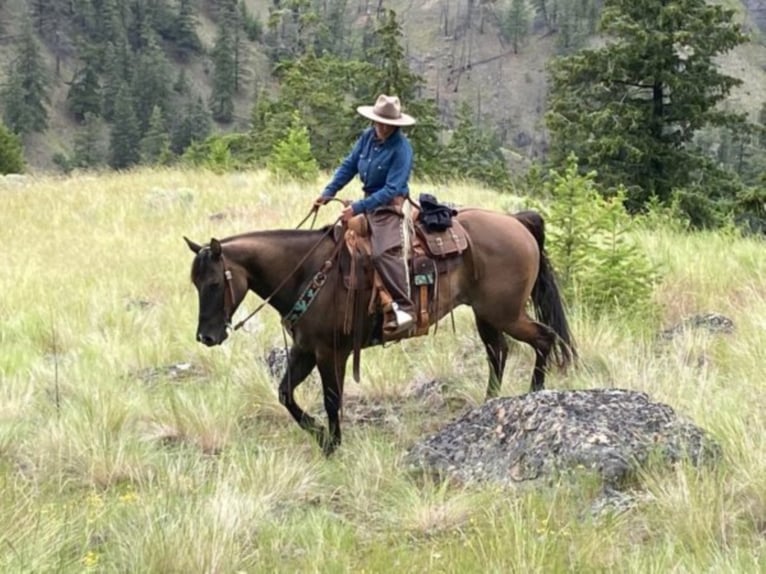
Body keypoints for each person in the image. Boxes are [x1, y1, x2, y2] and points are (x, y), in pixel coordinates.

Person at [314, 94, 416, 334]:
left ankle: (404, 307)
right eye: (378, 122)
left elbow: (392, 188)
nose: (380, 127)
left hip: (390, 206)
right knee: (337, 238)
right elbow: (349, 165)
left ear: (395, 125)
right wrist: (328, 192)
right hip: (369, 201)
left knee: (382, 253)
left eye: (386, 124)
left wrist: (359, 208)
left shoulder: (402, 149)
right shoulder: (367, 137)